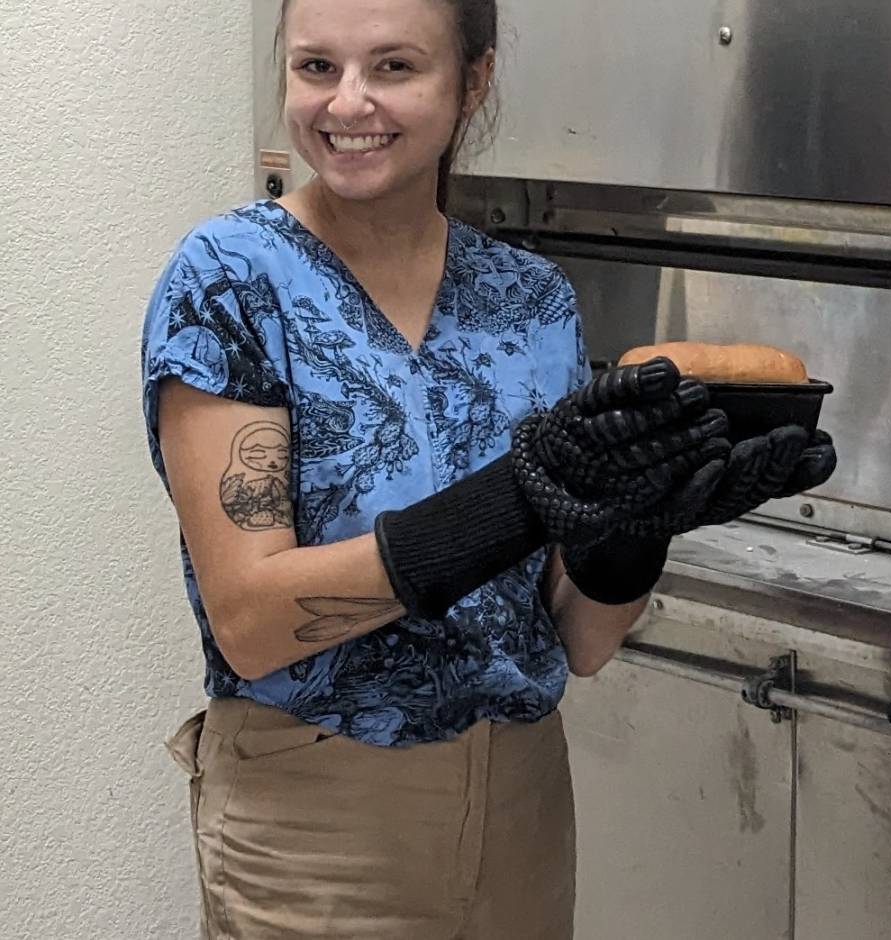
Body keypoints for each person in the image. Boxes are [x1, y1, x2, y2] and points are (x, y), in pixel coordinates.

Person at [141, 1, 835, 936]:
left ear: (473, 80)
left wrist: (634, 526)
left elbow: (578, 642)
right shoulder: (230, 279)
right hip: (317, 817)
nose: (348, 103)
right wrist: (518, 497)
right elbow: (254, 622)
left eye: (393, 67)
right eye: (316, 68)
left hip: (524, 801)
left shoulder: (530, 301)